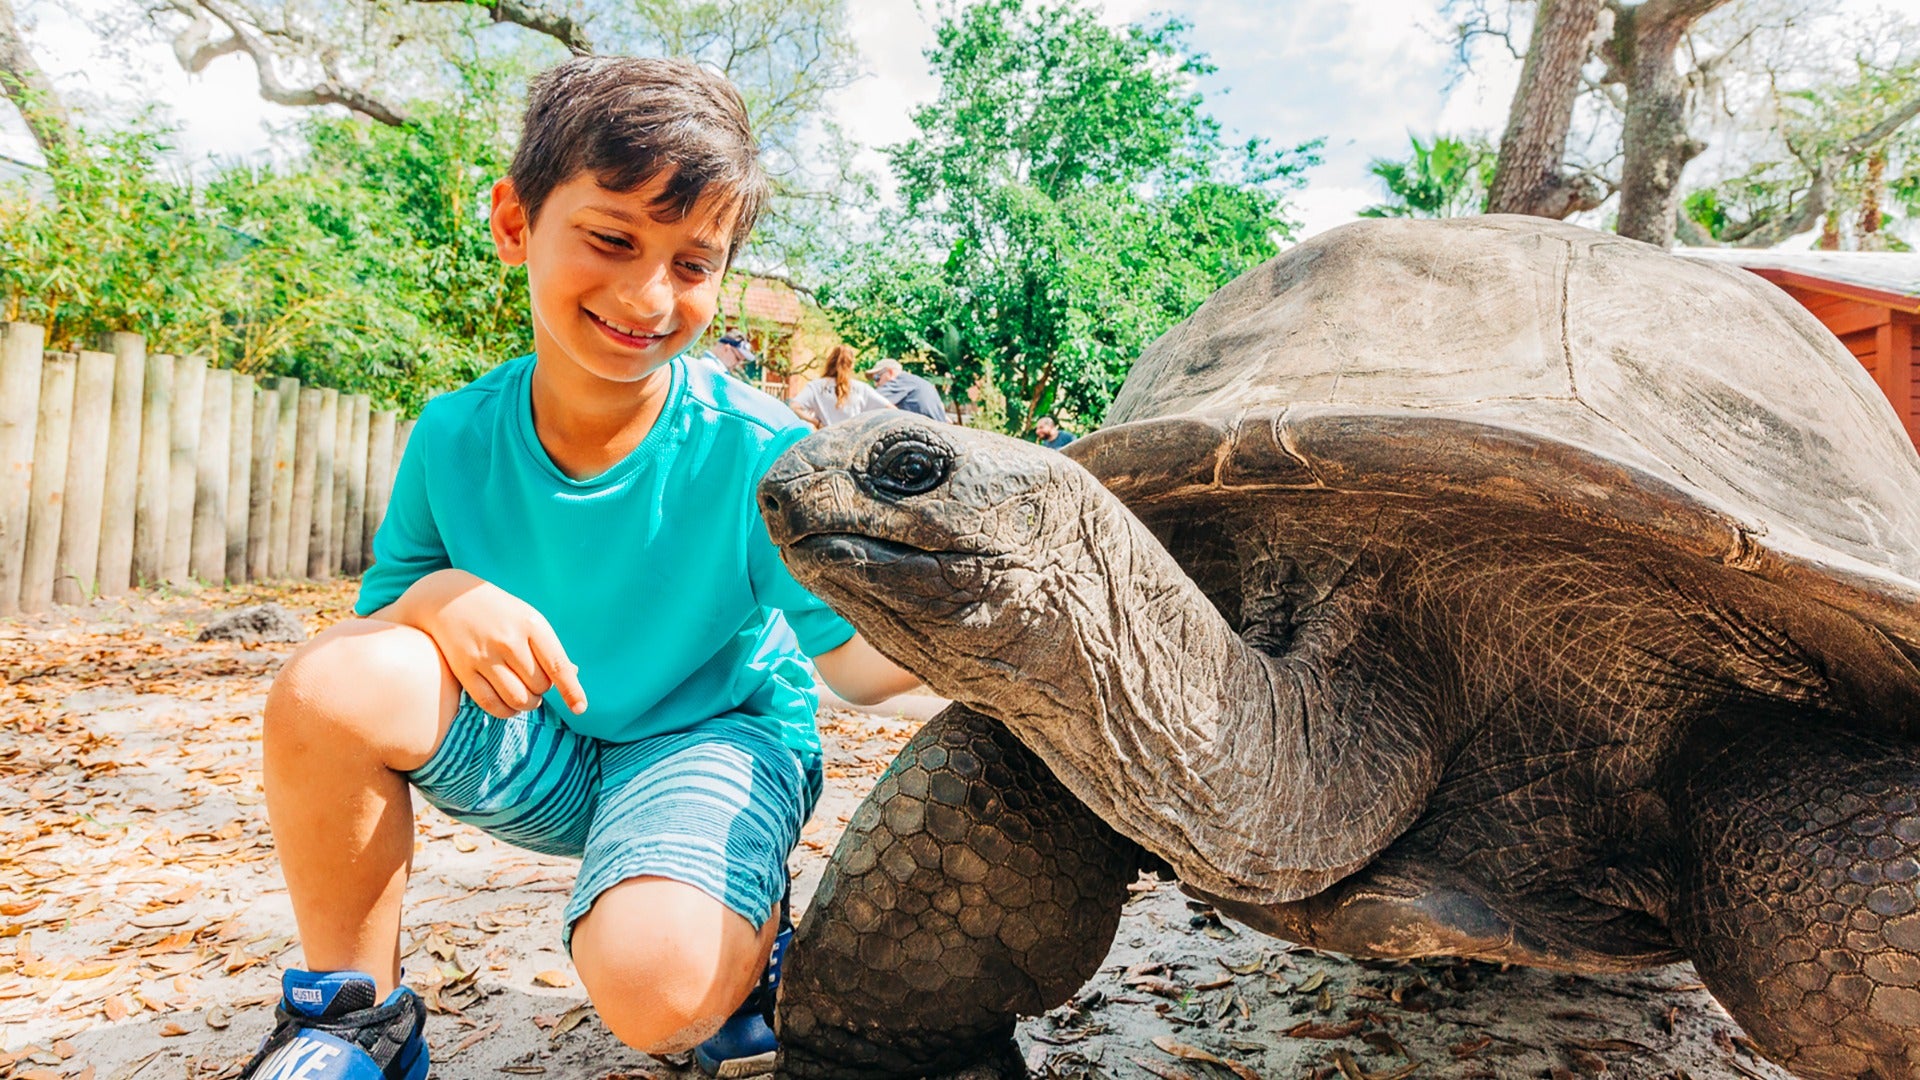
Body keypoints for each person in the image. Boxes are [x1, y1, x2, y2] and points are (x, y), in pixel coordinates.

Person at [241, 55, 922, 1080]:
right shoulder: (455, 435)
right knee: (326, 683)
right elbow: (373, 638)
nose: (648, 294)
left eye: (693, 264)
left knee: (660, 995)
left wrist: (974, 625)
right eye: (612, 238)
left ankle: (743, 931)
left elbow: (858, 669)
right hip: (541, 746)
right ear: (515, 222)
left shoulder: (760, 453)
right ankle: (354, 1019)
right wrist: (443, 595)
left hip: (710, 742)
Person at [786, 344, 894, 427]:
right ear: (851, 365)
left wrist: (816, 423)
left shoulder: (816, 386)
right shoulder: (862, 389)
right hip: (853, 443)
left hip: (825, 440)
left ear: (829, 362)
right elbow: (891, 410)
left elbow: (794, 407)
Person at [868, 358, 949, 422]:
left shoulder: (899, 381)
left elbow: (868, 401)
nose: (876, 384)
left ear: (890, 372)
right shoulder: (918, 381)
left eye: (877, 378)